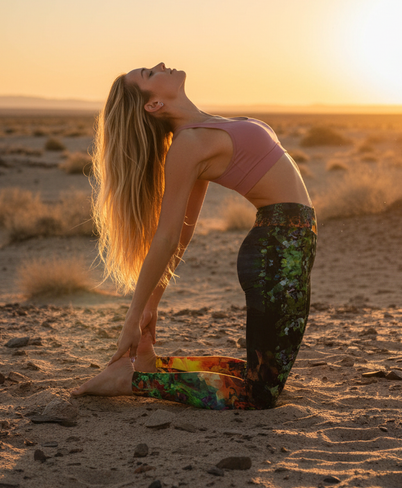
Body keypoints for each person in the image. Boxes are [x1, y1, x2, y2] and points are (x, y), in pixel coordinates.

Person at [72, 63, 317, 409]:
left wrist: (151, 309)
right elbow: (168, 235)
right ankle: (132, 380)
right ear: (154, 105)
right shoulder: (188, 143)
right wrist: (134, 313)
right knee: (261, 395)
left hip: (290, 249)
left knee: (263, 377)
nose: (159, 65)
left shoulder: (202, 127)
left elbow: (185, 231)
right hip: (275, 254)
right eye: (148, 74)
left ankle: (149, 368)